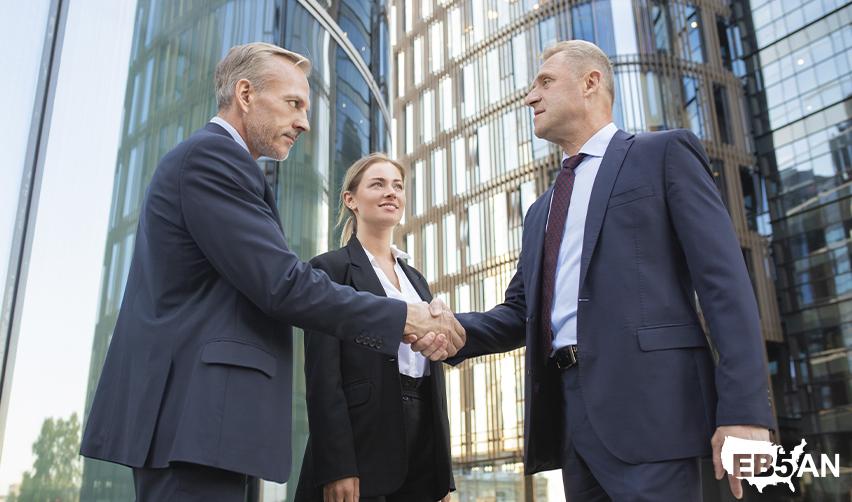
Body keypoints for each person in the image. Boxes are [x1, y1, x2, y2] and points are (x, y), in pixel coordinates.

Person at [79, 42, 464, 502]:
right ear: (245, 94)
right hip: (194, 424)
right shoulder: (212, 160)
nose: (304, 121)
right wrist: (405, 317)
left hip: (212, 428)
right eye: (293, 104)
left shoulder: (226, 165)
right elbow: (283, 285)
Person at [440, 40, 773, 500]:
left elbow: (725, 285)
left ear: (590, 82)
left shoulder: (663, 154)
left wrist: (747, 411)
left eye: (545, 82)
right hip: (573, 421)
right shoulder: (541, 210)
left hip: (653, 411)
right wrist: (449, 331)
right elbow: (520, 313)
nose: (530, 97)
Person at [294, 153, 454, 502]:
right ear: (350, 199)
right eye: (377, 184)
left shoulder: (417, 281)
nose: (391, 193)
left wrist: (443, 474)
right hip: (361, 443)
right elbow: (323, 379)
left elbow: (433, 381)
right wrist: (337, 466)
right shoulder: (330, 270)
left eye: (397, 186)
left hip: (422, 446)